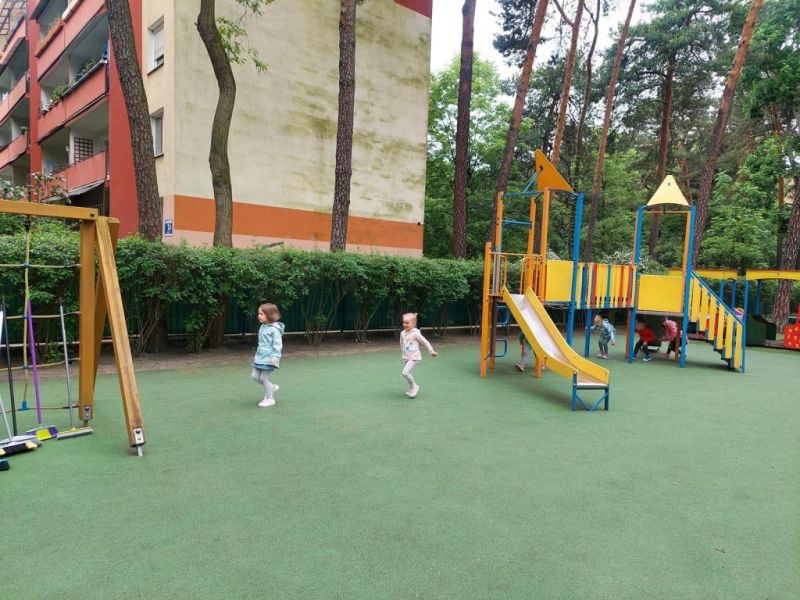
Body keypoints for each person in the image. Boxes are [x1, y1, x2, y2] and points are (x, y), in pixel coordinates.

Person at [251, 303, 284, 408]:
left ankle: (270, 398)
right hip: (260, 357)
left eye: (261, 314)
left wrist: (275, 357)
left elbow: (277, 345)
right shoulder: (263, 326)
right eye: (258, 314)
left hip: (270, 359)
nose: (259, 316)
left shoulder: (275, 329)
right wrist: (257, 356)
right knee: (254, 376)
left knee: (263, 377)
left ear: (270, 315)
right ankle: (271, 387)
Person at [400, 313, 437, 398]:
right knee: (407, 373)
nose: (405, 324)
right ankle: (411, 387)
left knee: (405, 373)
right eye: (404, 322)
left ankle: (415, 386)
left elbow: (425, 342)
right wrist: (402, 350)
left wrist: (431, 351)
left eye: (407, 323)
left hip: (414, 357)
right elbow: (401, 341)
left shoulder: (416, 334)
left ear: (413, 324)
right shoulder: (402, 333)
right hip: (406, 357)